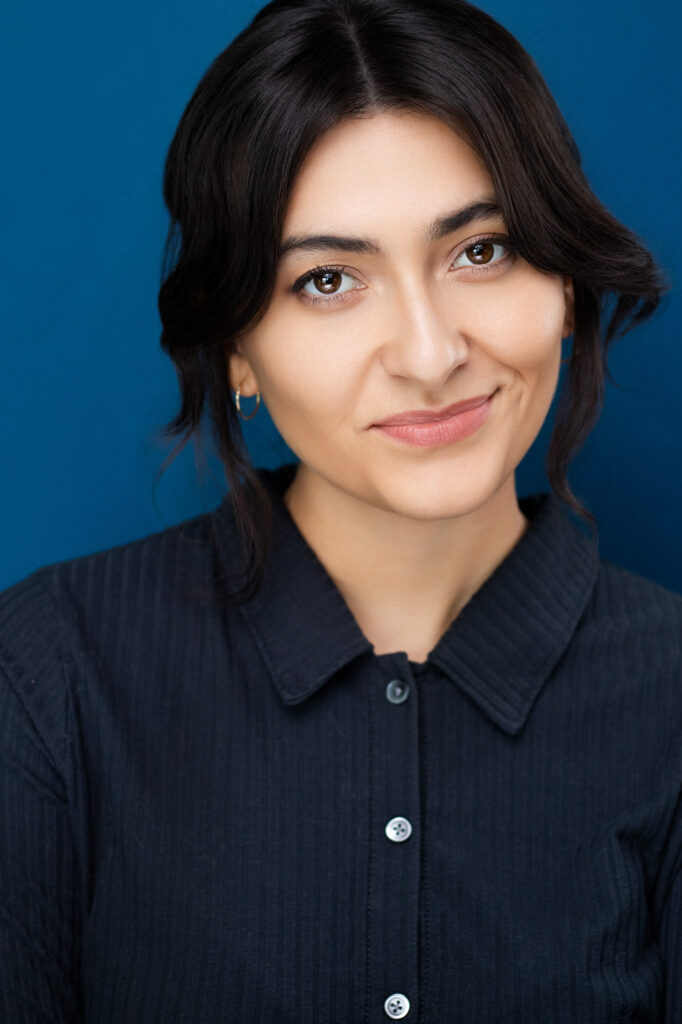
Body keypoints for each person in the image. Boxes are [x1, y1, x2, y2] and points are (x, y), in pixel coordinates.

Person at [1, 0, 680, 1020]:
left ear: (567, 280)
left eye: (481, 250)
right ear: (234, 350)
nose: (429, 352)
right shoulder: (50, 673)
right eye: (327, 279)